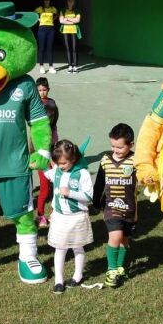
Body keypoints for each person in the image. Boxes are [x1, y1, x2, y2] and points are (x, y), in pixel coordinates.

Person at [44, 139, 93, 294]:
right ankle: (59, 280)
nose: (60, 167)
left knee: (78, 247)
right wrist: (39, 158)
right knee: (60, 248)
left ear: (73, 159)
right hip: (60, 217)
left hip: (77, 217)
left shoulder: (82, 174)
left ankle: (77, 275)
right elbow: (46, 172)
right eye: (58, 163)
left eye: (64, 163)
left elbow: (89, 196)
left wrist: (70, 193)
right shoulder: (57, 170)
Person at [93, 123, 137, 289]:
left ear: (130, 145)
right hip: (111, 207)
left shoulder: (136, 161)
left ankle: (119, 267)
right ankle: (111, 270)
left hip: (130, 209)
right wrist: (96, 202)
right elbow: (99, 183)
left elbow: (148, 177)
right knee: (115, 236)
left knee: (124, 240)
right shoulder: (105, 160)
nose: (115, 150)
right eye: (112, 146)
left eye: (119, 147)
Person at [34, 77, 58, 229]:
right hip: (39, 152)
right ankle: (40, 215)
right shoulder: (33, 106)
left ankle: (55, 213)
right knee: (44, 186)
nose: (42, 93)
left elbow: (55, 124)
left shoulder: (52, 104)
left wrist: (55, 146)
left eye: (44, 90)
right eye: (39, 90)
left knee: (56, 183)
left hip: (52, 148)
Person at [34, 0, 57, 74]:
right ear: (43, 1)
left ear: (50, 1)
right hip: (42, 28)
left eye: (48, 0)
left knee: (50, 48)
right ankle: (41, 66)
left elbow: (57, 15)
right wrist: (38, 19)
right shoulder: (40, 8)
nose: (47, 1)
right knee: (41, 48)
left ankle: (51, 67)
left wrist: (53, 19)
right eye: (45, 0)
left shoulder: (53, 9)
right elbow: (33, 14)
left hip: (51, 28)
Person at [59, 0, 81, 73]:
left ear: (74, 2)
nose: (70, 2)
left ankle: (75, 66)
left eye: (72, 0)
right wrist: (72, 20)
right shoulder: (63, 10)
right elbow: (61, 21)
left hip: (74, 31)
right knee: (68, 49)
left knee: (74, 48)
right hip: (65, 31)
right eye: (69, 0)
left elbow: (78, 20)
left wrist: (67, 19)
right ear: (67, 1)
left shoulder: (77, 10)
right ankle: (69, 66)